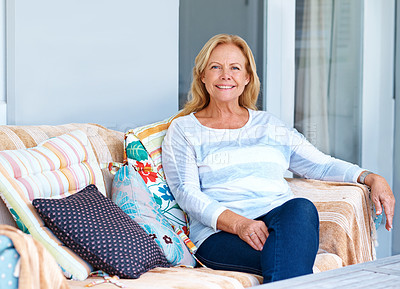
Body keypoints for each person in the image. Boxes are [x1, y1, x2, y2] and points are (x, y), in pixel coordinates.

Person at [161, 34, 395, 283]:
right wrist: (240, 224)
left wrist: (370, 177)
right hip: (220, 234)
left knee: (301, 208)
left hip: (278, 225)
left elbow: (320, 164)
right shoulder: (184, 129)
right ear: (202, 76)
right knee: (289, 256)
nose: (225, 75)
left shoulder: (269, 125)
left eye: (235, 68)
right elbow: (186, 192)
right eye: (215, 67)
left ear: (247, 77)